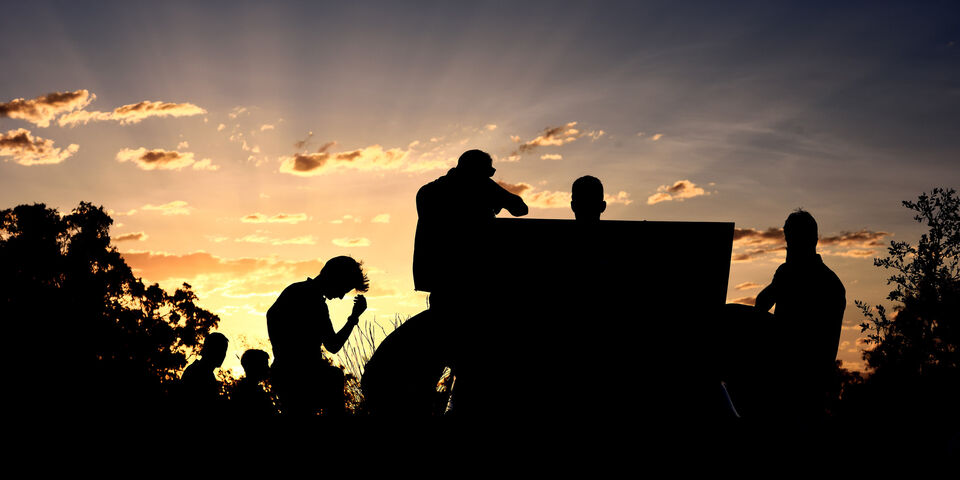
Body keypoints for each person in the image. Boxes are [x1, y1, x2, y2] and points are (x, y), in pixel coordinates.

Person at [754, 209, 846, 419]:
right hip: (785, 378)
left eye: (793, 240)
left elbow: (823, 342)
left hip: (806, 383)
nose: (789, 247)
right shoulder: (787, 273)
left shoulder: (828, 284)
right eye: (788, 240)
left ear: (812, 240)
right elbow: (761, 304)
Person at [412, 149, 528, 295]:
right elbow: (520, 209)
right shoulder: (482, 187)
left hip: (436, 273)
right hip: (473, 271)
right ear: (477, 170)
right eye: (488, 172)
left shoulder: (427, 191)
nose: (489, 176)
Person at [266, 256, 369, 416]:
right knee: (334, 378)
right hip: (303, 377)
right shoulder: (315, 302)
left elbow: (271, 315)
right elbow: (333, 345)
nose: (341, 296)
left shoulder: (294, 290)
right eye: (343, 289)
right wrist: (354, 317)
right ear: (335, 278)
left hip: (283, 373)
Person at [181, 332, 229, 413]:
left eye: (224, 351)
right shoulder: (197, 372)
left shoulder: (203, 371)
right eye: (220, 350)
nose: (223, 355)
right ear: (208, 349)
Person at [232, 349, 276, 417]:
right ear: (255, 367)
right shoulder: (251, 392)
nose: (268, 368)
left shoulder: (242, 389)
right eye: (265, 364)